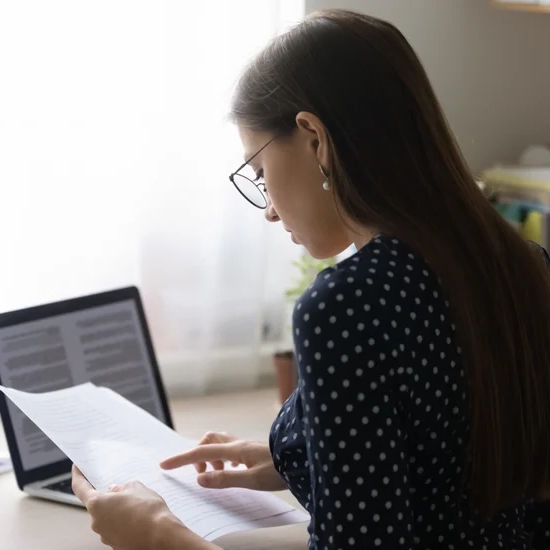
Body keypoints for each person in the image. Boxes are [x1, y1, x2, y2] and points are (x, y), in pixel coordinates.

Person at [71, 8, 550, 549]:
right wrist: (293, 452)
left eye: (258, 173)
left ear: (314, 139)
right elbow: (449, 456)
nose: (269, 210)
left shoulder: (348, 306)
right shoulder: (525, 266)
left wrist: (155, 534)